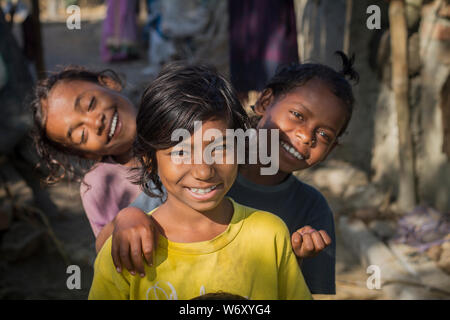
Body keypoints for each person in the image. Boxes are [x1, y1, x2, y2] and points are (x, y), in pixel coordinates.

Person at [106, 51, 359, 295]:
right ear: (265, 101)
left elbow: (308, 293)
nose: (305, 136)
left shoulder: (312, 209)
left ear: (333, 148)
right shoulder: (197, 176)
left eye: (324, 134)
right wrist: (128, 217)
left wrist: (293, 262)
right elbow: (106, 245)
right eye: (297, 115)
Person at [30, 66, 140, 245]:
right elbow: (106, 252)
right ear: (86, 154)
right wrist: (122, 222)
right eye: (81, 135)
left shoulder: (178, 117)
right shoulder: (98, 187)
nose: (96, 123)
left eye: (90, 104)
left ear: (109, 83)